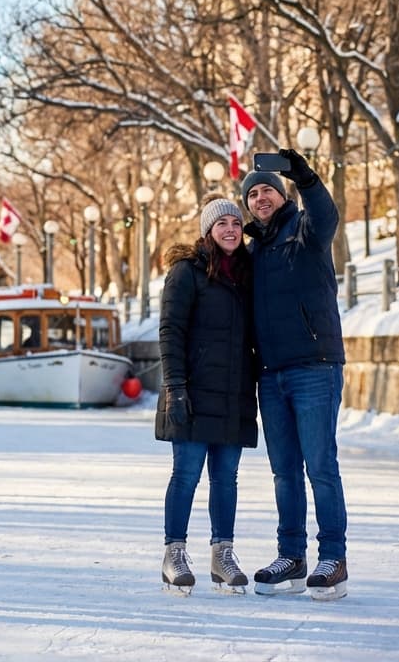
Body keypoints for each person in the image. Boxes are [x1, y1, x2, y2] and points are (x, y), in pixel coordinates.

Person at [242, 149, 349, 600]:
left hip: (314, 366)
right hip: (271, 374)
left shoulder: (304, 229)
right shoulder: (253, 250)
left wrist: (305, 177)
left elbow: (326, 214)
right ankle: (291, 556)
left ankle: (333, 558)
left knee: (320, 467)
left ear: (281, 194)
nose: (260, 197)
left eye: (267, 189)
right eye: (252, 193)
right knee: (284, 472)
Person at [156, 195, 257, 596]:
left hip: (234, 393)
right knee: (186, 475)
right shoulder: (186, 272)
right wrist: (175, 388)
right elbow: (170, 332)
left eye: (236, 222)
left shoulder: (249, 274)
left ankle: (222, 554)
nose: (231, 229)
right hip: (194, 391)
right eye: (222, 224)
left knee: (226, 478)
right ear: (208, 231)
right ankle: (174, 554)